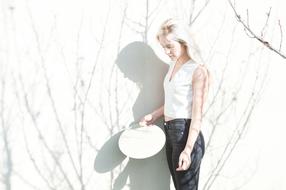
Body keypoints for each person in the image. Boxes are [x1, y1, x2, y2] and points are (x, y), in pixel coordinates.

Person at [139, 18, 210, 190]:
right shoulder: (173, 65)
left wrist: (188, 149)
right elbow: (175, 102)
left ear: (183, 42)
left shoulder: (197, 70)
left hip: (185, 134)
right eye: (163, 46)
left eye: (169, 46)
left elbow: (197, 115)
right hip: (170, 133)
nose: (166, 51)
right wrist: (154, 115)